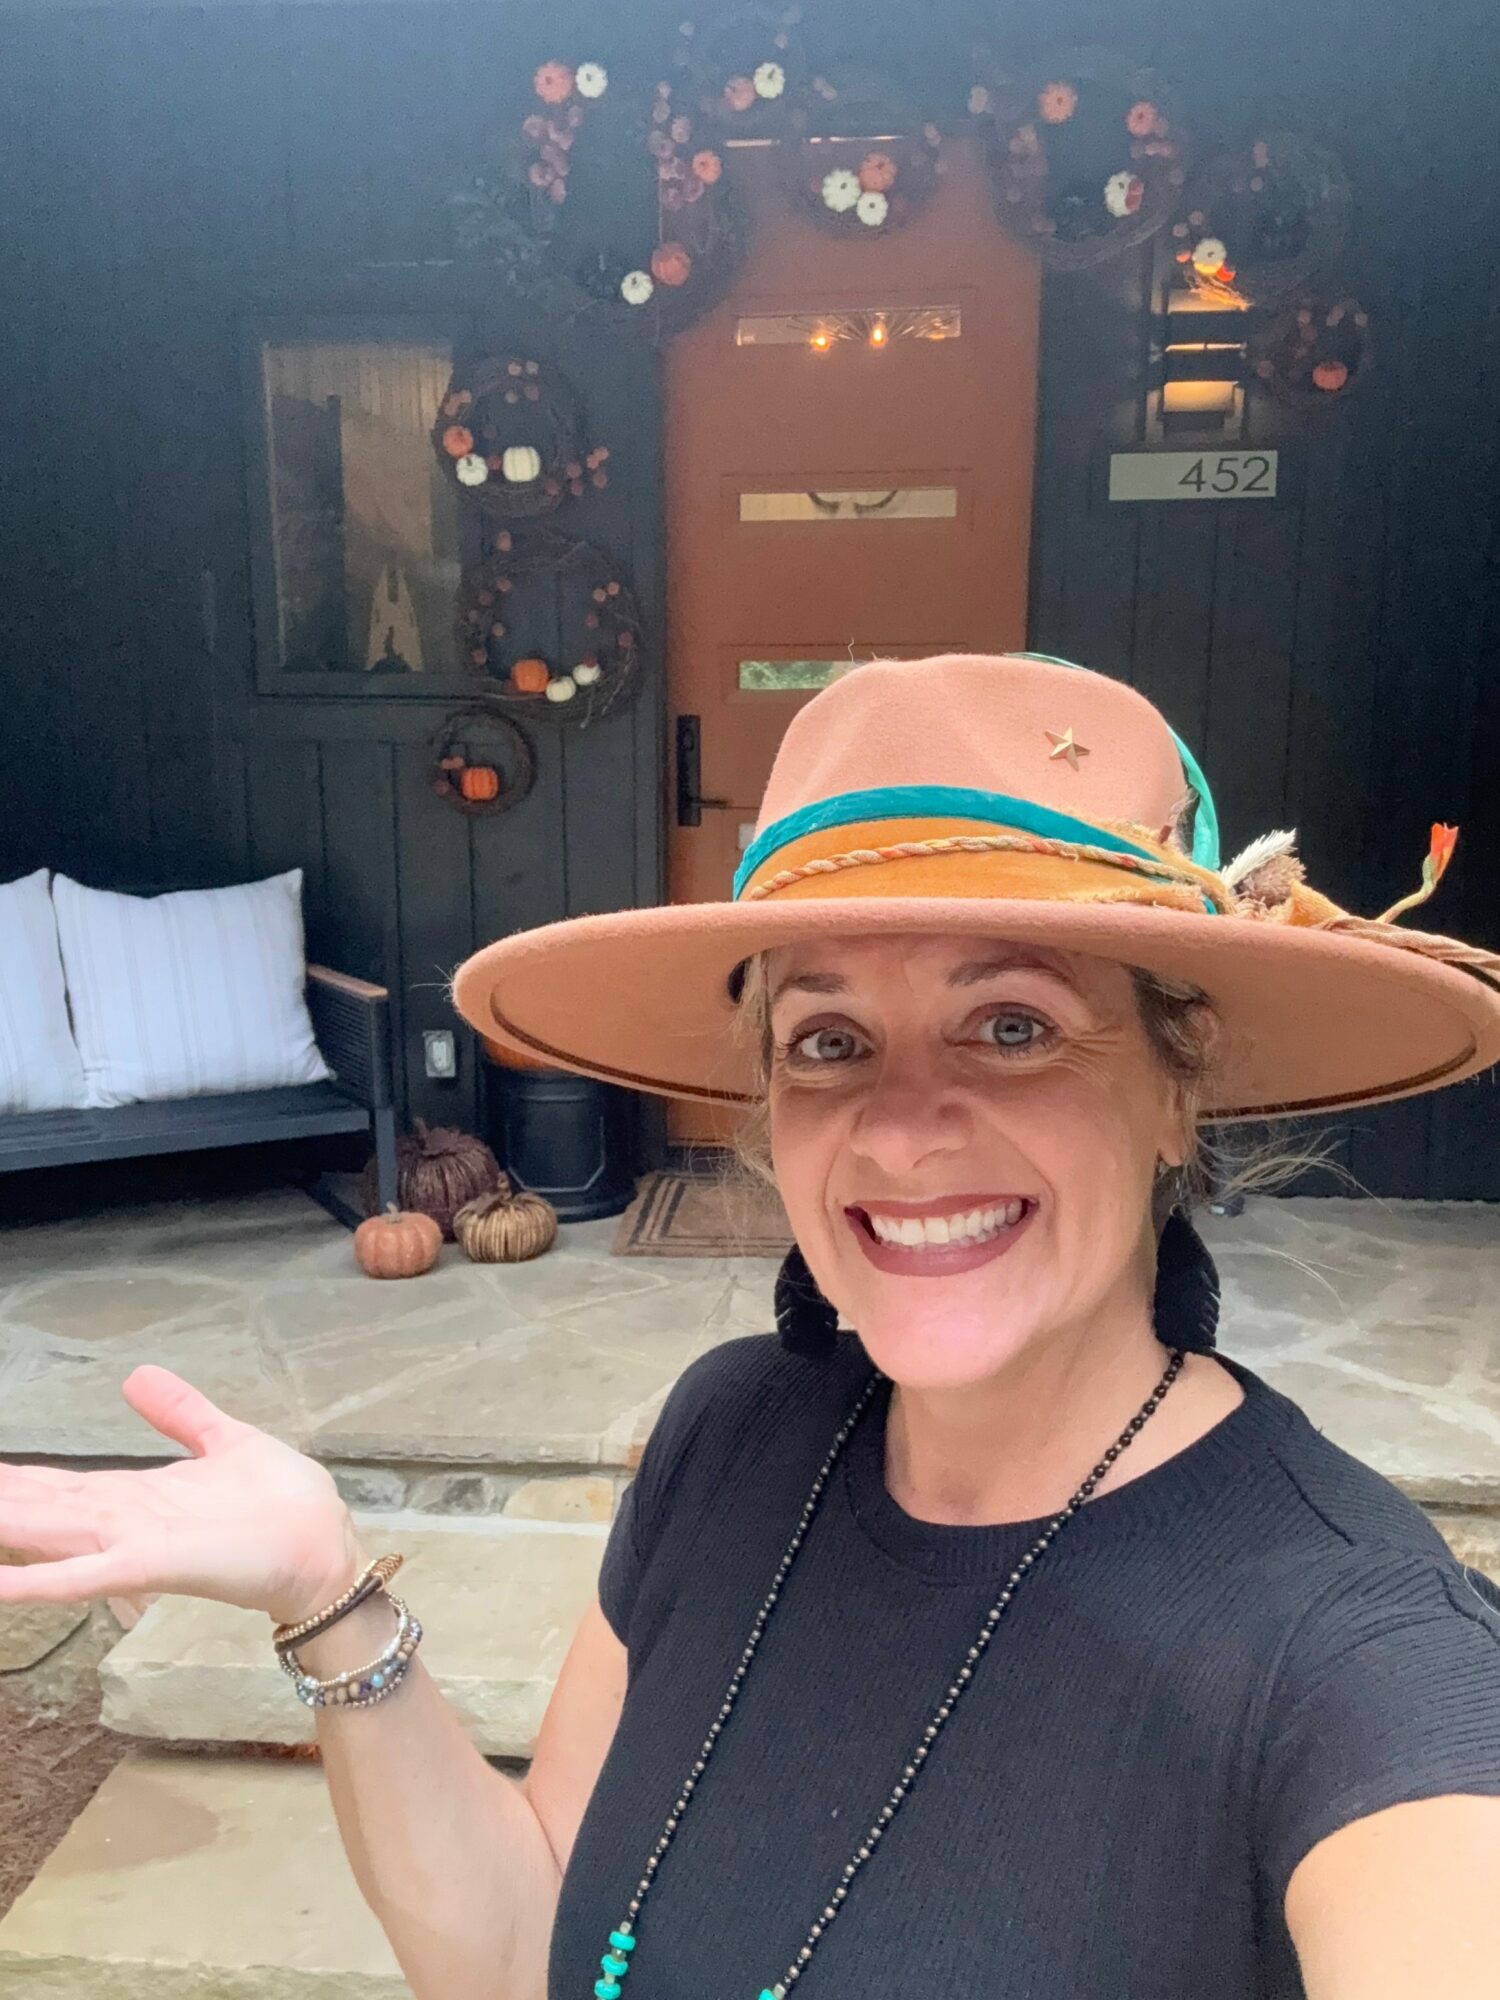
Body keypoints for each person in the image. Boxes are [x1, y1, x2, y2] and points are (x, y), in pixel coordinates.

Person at [2, 653, 1498, 2000]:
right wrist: (327, 1595)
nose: (901, 1131)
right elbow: (526, 1956)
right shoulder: (728, 1439)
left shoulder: (1363, 1657)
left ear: (1179, 1091)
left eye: (1014, 1025)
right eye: (828, 1041)